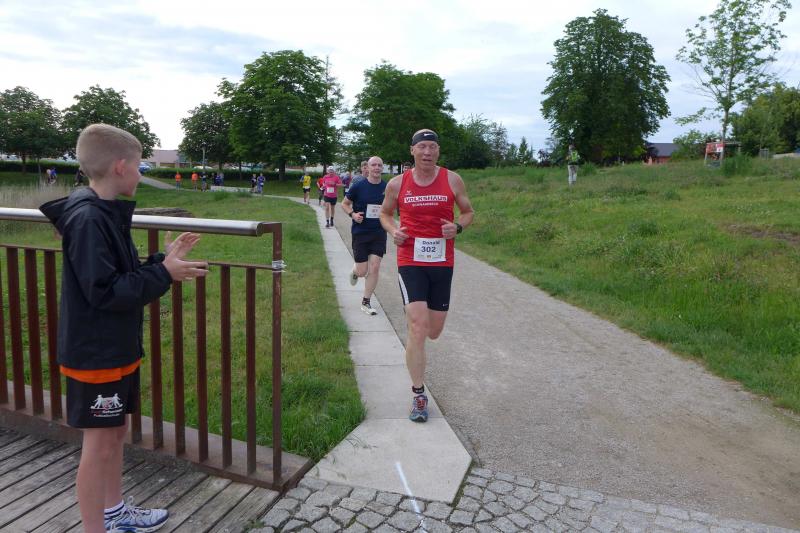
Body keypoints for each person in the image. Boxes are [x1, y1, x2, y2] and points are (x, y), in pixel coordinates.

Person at [39, 123, 209, 533]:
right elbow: (105, 291)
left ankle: (114, 514)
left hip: (114, 348)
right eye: (139, 166)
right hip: (95, 353)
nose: (140, 173)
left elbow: (119, 276)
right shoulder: (88, 219)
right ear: (120, 166)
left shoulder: (102, 212)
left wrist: (162, 262)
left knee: (115, 433)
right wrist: (164, 274)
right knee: (98, 445)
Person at [380, 129, 474, 423]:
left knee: (434, 331)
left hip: (442, 262)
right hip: (410, 260)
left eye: (432, 147)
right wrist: (394, 230)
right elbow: (385, 214)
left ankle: (420, 327)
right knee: (418, 327)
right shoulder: (397, 184)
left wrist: (457, 227)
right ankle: (419, 394)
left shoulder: (452, 179)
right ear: (412, 151)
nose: (427, 152)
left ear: (438, 151)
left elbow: (468, 212)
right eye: (422, 147)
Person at [342, 156, 387, 315]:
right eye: (373, 165)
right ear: (367, 167)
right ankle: (355, 271)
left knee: (374, 267)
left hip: (379, 233)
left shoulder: (387, 187)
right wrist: (353, 214)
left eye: (379, 165)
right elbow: (344, 204)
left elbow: (392, 208)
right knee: (362, 271)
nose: (376, 167)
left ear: (382, 168)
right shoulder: (358, 186)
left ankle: (366, 302)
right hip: (360, 232)